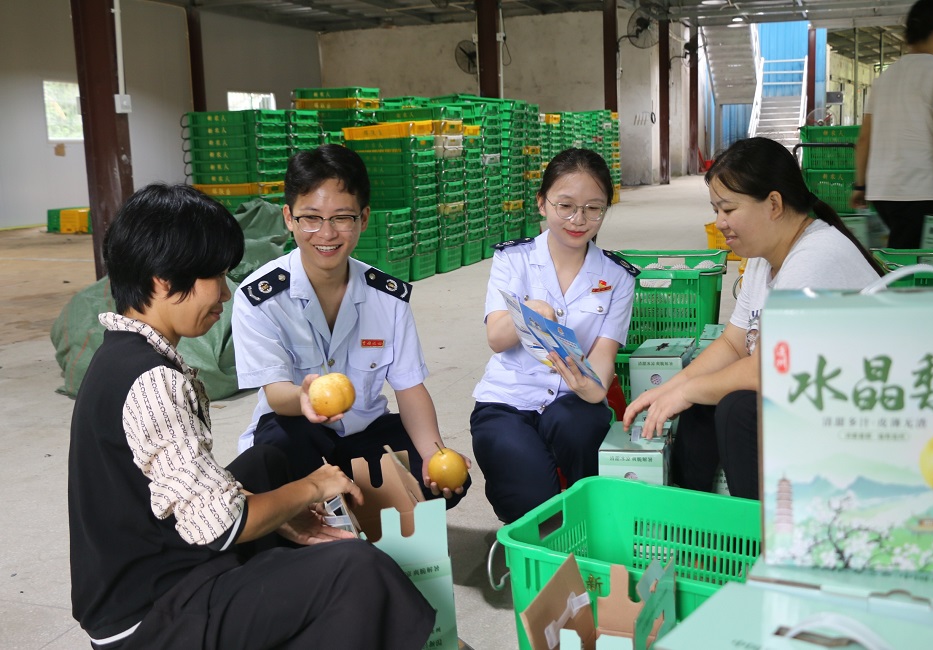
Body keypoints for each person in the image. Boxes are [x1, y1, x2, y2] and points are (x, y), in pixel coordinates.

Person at [68, 183, 434, 650]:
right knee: (359, 570)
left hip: (160, 564)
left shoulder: (123, 354)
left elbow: (183, 489)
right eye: (215, 277)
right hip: (150, 616)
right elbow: (220, 525)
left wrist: (283, 510)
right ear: (163, 280)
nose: (224, 293)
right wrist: (313, 487)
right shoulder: (153, 381)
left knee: (266, 464)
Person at [623, 137, 884, 500]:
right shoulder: (764, 257)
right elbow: (733, 343)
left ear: (774, 204)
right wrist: (671, 388)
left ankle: (757, 529)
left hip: (863, 419)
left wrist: (686, 391)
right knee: (703, 398)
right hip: (815, 400)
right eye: (716, 210)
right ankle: (691, 517)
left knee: (737, 408)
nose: (720, 222)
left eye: (728, 209)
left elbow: (767, 370)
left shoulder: (816, 258)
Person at [232, 144, 470, 505]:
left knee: (439, 482)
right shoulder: (261, 298)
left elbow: (409, 388)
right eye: (311, 218)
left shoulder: (387, 297)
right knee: (273, 462)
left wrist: (433, 454)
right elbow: (276, 394)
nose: (326, 234)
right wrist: (303, 397)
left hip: (362, 431)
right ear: (289, 217)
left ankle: (347, 511)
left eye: (342, 218)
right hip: (296, 431)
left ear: (364, 218)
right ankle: (332, 512)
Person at [470, 148, 638, 524]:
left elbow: (603, 359)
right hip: (508, 400)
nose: (579, 220)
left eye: (593, 208)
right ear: (542, 203)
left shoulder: (617, 277)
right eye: (566, 206)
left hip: (572, 400)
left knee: (582, 426)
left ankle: (589, 520)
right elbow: (496, 338)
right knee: (533, 506)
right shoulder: (513, 260)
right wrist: (528, 314)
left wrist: (590, 388)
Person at [850, 0, 933, 248]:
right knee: (911, 263)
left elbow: (864, 137)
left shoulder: (885, 77)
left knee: (899, 254)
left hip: (881, 193)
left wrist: (860, 184)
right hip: (917, 189)